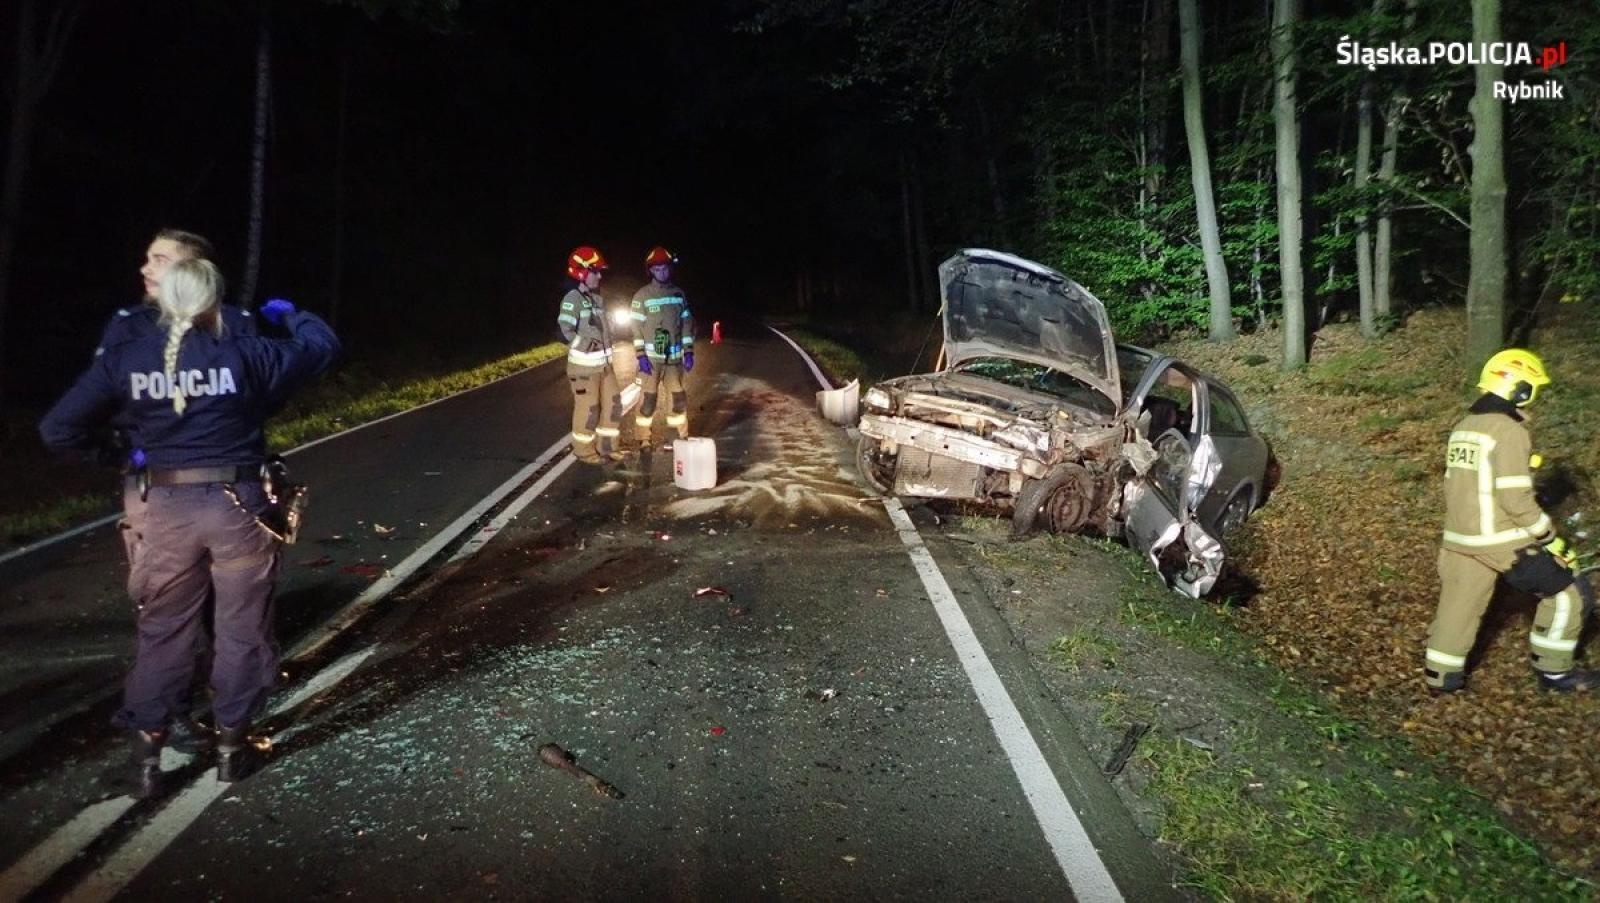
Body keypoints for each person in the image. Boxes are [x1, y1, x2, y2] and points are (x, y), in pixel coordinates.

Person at [40, 259, 340, 796]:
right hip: (238, 506)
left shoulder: (127, 358)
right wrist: (292, 314)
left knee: (163, 630)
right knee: (241, 625)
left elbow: (59, 428)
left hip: (164, 509)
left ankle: (147, 761)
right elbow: (321, 349)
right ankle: (232, 746)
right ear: (211, 302)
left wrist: (121, 455)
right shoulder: (245, 352)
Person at [103, 228, 255, 754]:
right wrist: (124, 453)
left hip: (193, 482)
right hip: (152, 484)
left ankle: (182, 708)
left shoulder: (227, 327)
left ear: (194, 274)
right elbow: (102, 400)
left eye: (161, 260)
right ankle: (173, 709)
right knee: (162, 602)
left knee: (214, 602)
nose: (147, 268)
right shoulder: (129, 328)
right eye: (147, 257)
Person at [1425, 348, 1597, 694]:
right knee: (1567, 592)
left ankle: (1440, 679)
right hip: (1498, 538)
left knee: (1459, 606)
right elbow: (1515, 499)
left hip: (1459, 537)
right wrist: (1547, 536)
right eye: (1531, 388)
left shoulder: (1464, 426)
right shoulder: (1507, 430)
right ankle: (1555, 672)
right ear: (1519, 389)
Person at [556, 246, 624, 463]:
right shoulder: (572, 298)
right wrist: (586, 345)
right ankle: (584, 451)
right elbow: (562, 331)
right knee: (589, 409)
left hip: (604, 367)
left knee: (614, 405)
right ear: (581, 272)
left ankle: (608, 447)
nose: (600, 275)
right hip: (584, 369)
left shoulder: (597, 299)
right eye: (595, 271)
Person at [629, 245, 696, 445]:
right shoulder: (642, 296)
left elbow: (686, 325)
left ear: (670, 269)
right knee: (648, 401)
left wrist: (688, 352)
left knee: (678, 400)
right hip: (650, 361)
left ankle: (677, 437)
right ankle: (643, 439)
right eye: (657, 269)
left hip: (674, 361)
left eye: (665, 268)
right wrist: (641, 356)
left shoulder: (679, 294)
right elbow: (636, 328)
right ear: (650, 271)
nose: (662, 272)